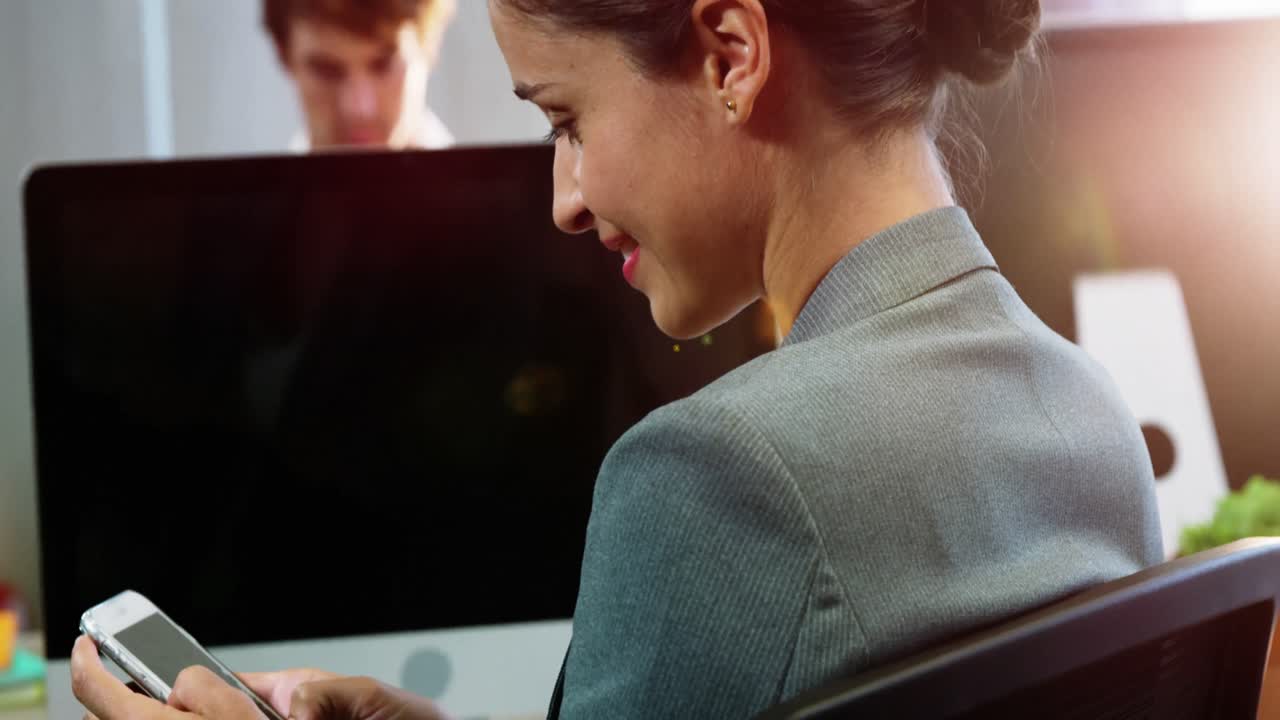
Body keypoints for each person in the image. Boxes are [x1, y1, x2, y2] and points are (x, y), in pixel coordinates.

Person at [70, 0, 1163, 717]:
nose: (564, 198)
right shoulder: (1089, 416)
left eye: (566, 119)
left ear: (729, 55)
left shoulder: (715, 474)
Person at [264, 0, 456, 151]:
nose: (360, 110)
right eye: (327, 71)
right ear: (284, 56)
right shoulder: (251, 201)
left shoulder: (483, 200)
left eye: (383, 65)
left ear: (430, 44)